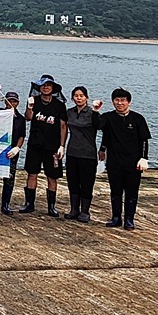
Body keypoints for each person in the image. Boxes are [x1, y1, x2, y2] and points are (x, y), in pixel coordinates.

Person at [95, 88, 151, 230]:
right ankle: (116, 218)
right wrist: (95, 111)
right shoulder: (108, 117)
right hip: (114, 161)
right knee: (116, 191)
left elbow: (144, 140)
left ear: (129, 102)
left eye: (123, 100)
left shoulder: (138, 119)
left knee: (132, 192)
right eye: (117, 100)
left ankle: (129, 219)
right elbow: (98, 126)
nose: (119, 103)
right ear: (113, 102)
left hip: (133, 162)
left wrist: (144, 158)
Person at [19, 75, 68, 216]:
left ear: (53, 88)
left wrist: (62, 146)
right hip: (35, 144)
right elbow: (28, 117)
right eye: (43, 85)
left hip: (52, 146)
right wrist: (29, 107)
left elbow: (63, 126)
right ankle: (29, 204)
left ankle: (51, 206)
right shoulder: (34, 101)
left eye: (48, 85)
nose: (45, 87)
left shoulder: (59, 105)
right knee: (32, 173)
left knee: (52, 176)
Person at [63, 86, 103, 223]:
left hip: (88, 154)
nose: (79, 98)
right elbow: (62, 127)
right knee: (72, 182)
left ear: (87, 98)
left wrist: (96, 111)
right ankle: (74, 209)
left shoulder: (92, 113)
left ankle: (85, 211)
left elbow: (99, 126)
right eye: (76, 96)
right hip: (72, 152)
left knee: (86, 183)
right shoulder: (70, 112)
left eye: (81, 96)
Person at [0, 91, 26, 215]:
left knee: (9, 179)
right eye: (9, 100)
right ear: (5, 101)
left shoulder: (21, 119)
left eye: (14, 101)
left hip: (12, 152)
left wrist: (17, 148)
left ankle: (5, 205)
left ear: (18, 103)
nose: (11, 103)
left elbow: (22, 136)